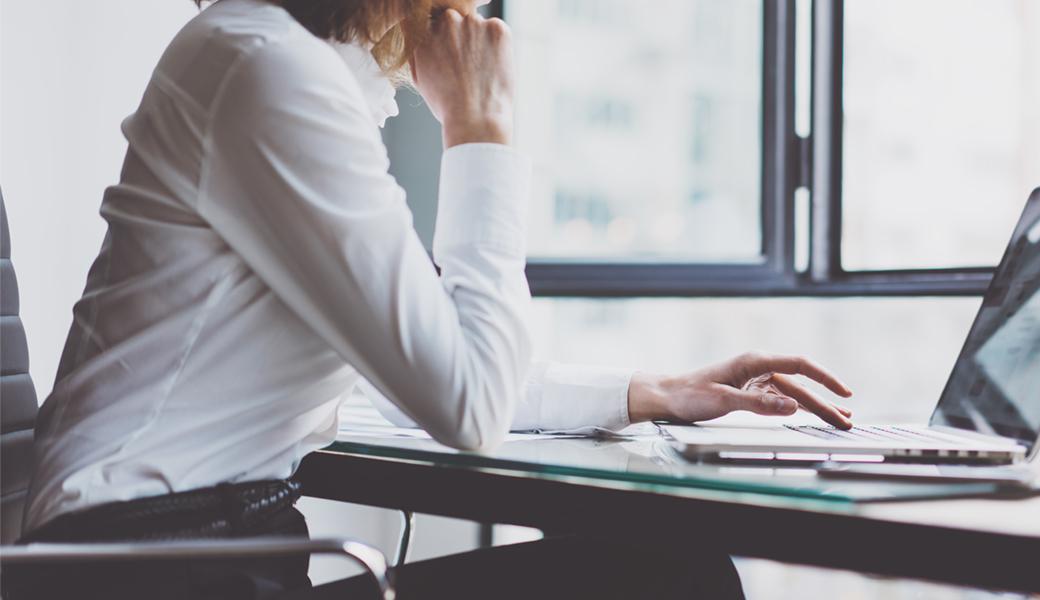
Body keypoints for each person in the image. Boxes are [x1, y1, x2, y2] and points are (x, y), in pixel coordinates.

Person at [6, 0, 854, 598]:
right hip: (151, 569)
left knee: (662, 567)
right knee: (668, 577)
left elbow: (425, 360)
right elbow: (466, 403)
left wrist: (651, 393)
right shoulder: (263, 68)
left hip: (190, 555)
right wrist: (480, 131)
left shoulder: (270, 66)